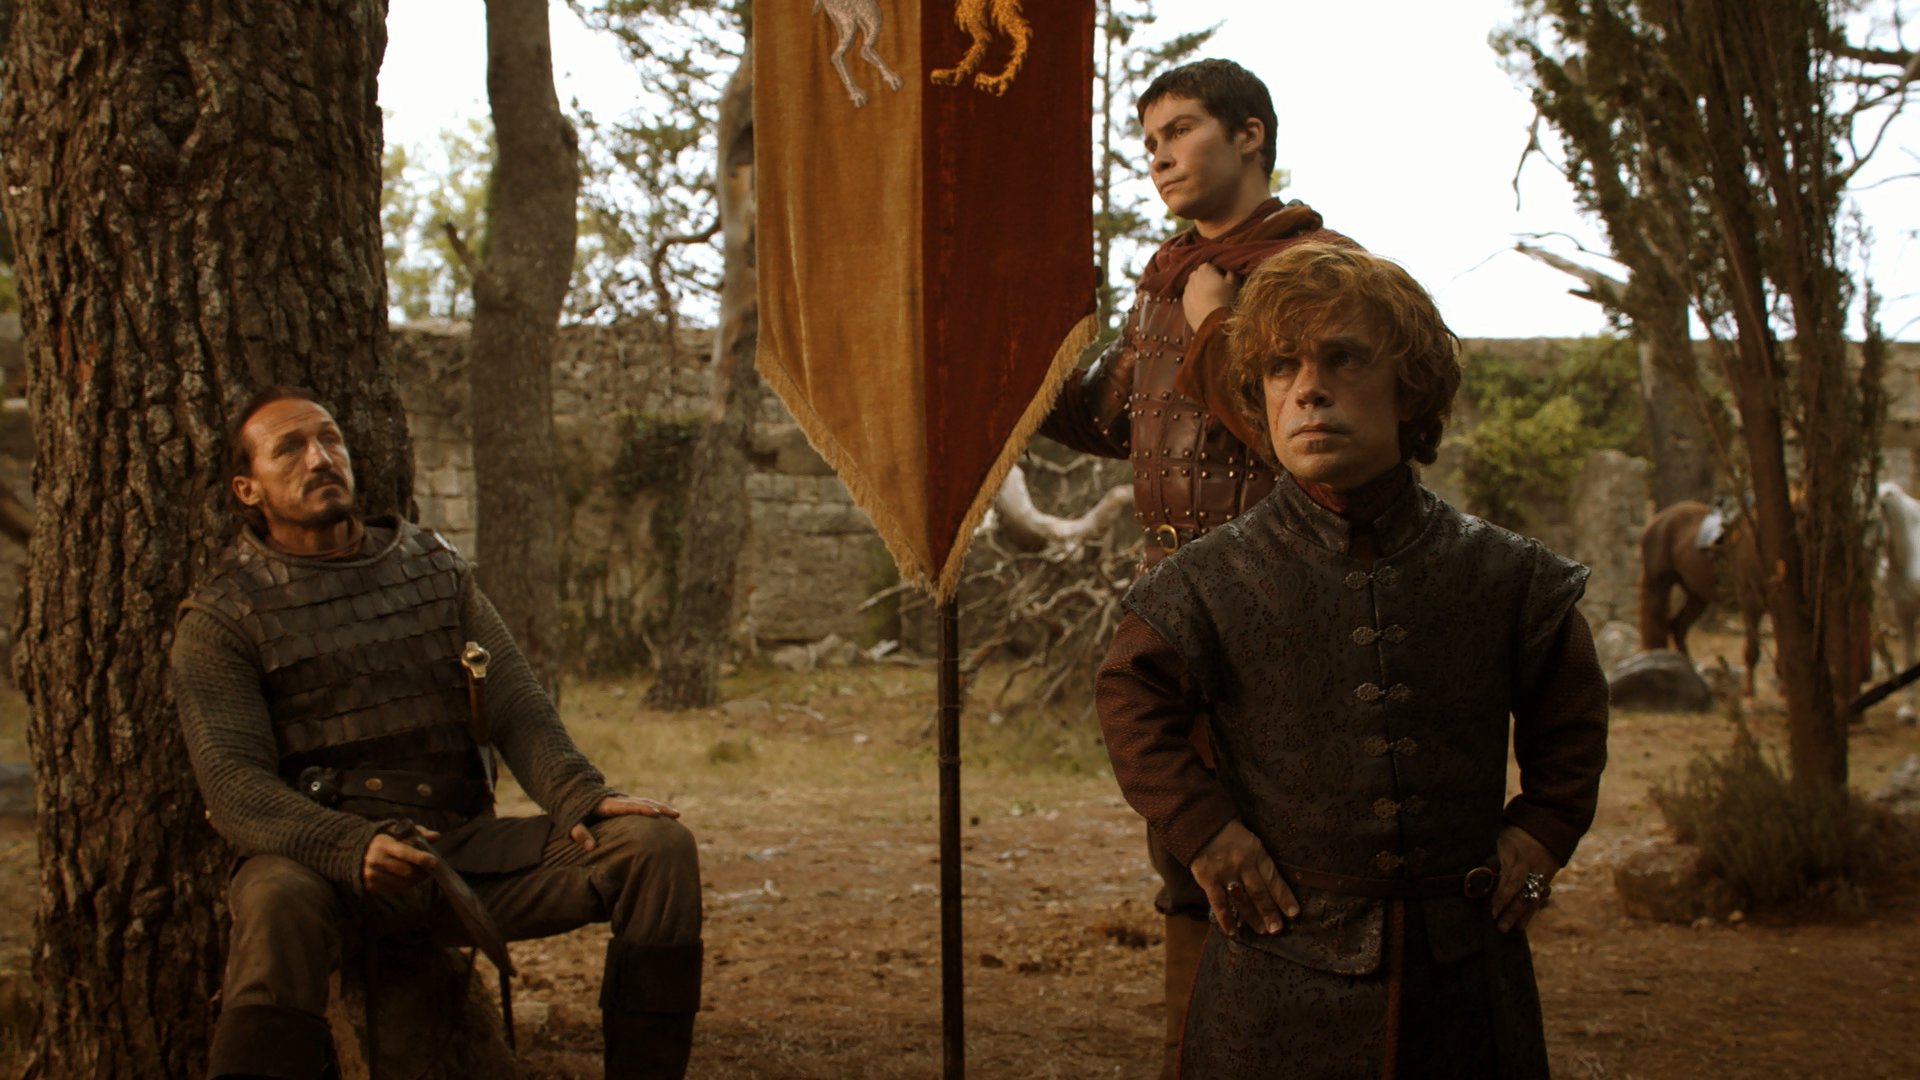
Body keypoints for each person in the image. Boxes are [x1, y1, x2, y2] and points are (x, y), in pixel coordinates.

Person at [1096, 243, 1609, 1078]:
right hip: (1273, 978)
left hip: (1466, 988)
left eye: (1343, 359)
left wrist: (1545, 832)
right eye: (1281, 367)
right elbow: (1129, 695)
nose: (1309, 388)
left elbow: (1572, 717)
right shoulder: (1205, 581)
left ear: (1409, 388)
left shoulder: (1508, 576)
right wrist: (1205, 832)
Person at [171, 388, 703, 1080]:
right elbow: (234, 786)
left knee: (656, 848)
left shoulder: (432, 571)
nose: (320, 458)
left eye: (329, 439)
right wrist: (349, 845)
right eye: (290, 449)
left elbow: (515, 702)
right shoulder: (221, 618)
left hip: (456, 854)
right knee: (273, 901)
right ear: (248, 488)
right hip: (318, 870)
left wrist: (578, 793)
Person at [1039, 57, 1353, 1074]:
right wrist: (1012, 365)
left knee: (1295, 855)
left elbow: (1311, 440)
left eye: (1179, 130)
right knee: (1186, 852)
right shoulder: (1170, 279)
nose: (1159, 156)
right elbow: (1115, 418)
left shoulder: (1319, 271)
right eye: (1149, 142)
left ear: (1249, 133)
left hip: (1287, 604)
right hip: (1175, 604)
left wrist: (1220, 319)